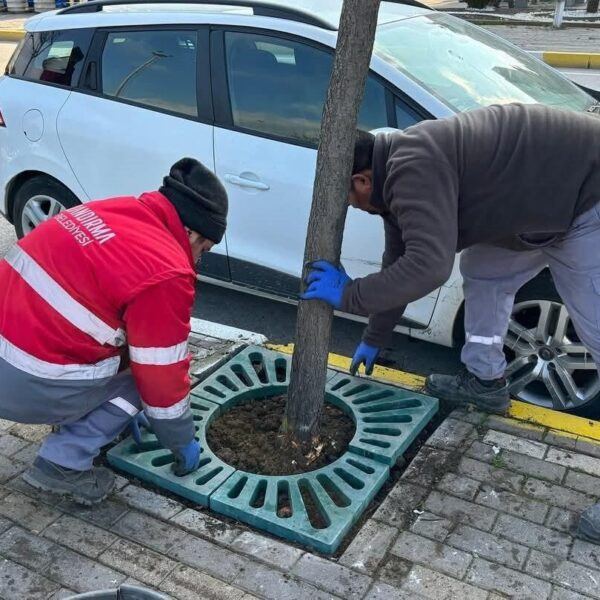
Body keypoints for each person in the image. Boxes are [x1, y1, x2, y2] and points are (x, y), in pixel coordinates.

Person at [301, 103, 600, 542]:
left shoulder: (411, 169)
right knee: (484, 271)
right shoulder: (395, 172)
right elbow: (401, 260)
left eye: (349, 198)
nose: (354, 207)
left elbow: (429, 267)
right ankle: (487, 381)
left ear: (362, 180)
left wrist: (349, 294)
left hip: (586, 202)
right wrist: (375, 336)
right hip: (544, 210)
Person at [0, 158, 228, 505]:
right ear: (192, 232)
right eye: (203, 250)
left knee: (122, 356)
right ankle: (63, 462)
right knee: (142, 378)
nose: (197, 261)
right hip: (22, 380)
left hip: (14, 354)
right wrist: (179, 438)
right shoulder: (167, 269)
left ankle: (84, 414)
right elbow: (161, 376)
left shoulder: (111, 209)